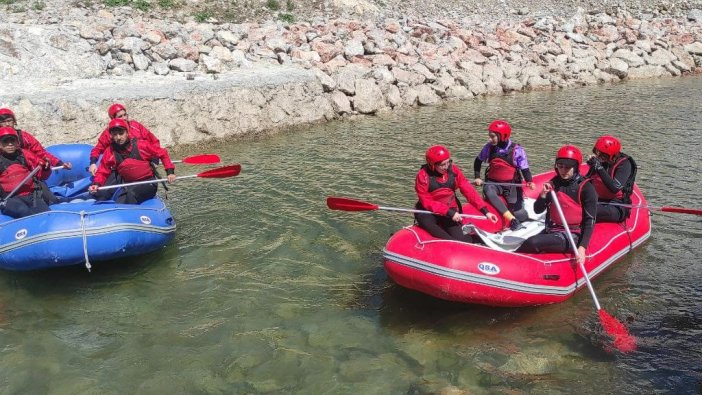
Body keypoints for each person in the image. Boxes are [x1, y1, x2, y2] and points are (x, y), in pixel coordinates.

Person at [516, 145, 597, 265]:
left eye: (568, 167)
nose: (563, 171)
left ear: (576, 167)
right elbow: (538, 210)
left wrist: (582, 248)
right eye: (560, 166)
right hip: (552, 229)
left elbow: (590, 220)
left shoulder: (586, 188)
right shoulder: (553, 184)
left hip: (573, 235)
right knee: (528, 242)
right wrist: (543, 195)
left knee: (533, 242)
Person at [415, 145, 498, 242]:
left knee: (464, 239)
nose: (446, 167)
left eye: (448, 162)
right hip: (429, 211)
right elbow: (426, 201)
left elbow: (468, 190)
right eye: (442, 165)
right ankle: (448, 242)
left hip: (449, 210)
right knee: (429, 224)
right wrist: (449, 212)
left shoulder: (453, 171)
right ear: (432, 165)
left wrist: (485, 211)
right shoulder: (423, 176)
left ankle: (480, 241)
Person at [88, 119, 176, 204]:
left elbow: (163, 153)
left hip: (148, 183)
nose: (118, 137)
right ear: (111, 135)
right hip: (129, 184)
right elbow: (102, 171)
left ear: (127, 133)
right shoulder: (110, 152)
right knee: (101, 195)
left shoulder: (142, 145)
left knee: (127, 199)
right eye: (115, 134)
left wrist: (170, 172)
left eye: (121, 133)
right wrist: (96, 184)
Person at [473, 120, 535, 231]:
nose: (490, 139)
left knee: (520, 214)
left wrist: (529, 181)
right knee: (488, 189)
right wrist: (477, 177)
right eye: (489, 136)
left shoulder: (517, 150)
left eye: (493, 137)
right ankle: (512, 220)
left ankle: (518, 217)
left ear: (503, 136)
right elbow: (478, 161)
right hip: (493, 183)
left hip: (511, 185)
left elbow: (524, 168)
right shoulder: (489, 147)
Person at [88, 103, 161, 175]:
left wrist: (155, 157)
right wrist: (93, 163)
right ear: (113, 119)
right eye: (120, 116)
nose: (124, 118)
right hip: (122, 165)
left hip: (142, 162)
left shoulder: (135, 126)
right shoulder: (108, 133)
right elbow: (98, 149)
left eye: (125, 115)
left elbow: (153, 141)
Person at [0, 127, 56, 218]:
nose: (10, 144)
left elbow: (41, 175)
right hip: (9, 198)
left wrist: (46, 169)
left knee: (45, 214)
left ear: (17, 143)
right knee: (23, 211)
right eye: (5, 142)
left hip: (30, 195)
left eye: (12, 141)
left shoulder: (25, 155)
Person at [586, 135, 637, 223]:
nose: (598, 156)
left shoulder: (625, 164)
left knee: (590, 210)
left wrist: (599, 168)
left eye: (602, 155)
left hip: (616, 205)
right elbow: (587, 180)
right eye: (596, 152)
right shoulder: (600, 162)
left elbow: (615, 188)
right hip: (598, 200)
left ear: (611, 156)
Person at [0, 108, 72, 170]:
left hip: (25, 169)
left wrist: (60, 164)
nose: (7, 124)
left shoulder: (24, 137)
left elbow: (40, 152)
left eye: (9, 121)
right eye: (3, 122)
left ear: (14, 122)